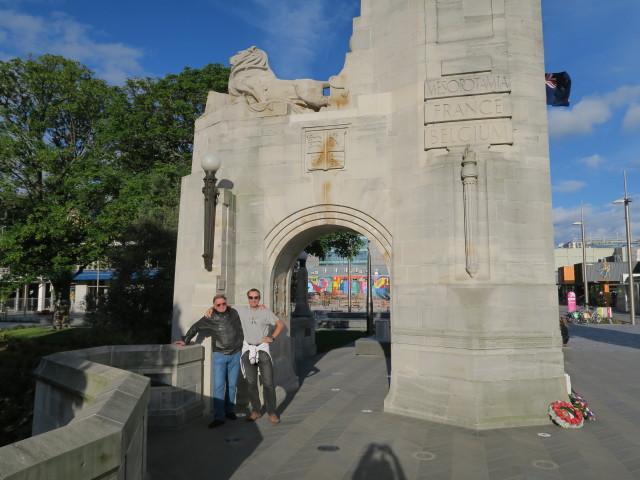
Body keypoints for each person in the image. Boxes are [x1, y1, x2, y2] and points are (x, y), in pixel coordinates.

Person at [209, 289, 285, 424]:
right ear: (248, 298)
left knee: (268, 383)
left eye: (256, 297)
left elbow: (280, 324)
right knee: (251, 384)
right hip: (247, 350)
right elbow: (224, 306)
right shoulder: (241, 310)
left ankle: (272, 412)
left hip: (262, 351)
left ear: (259, 298)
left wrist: (272, 338)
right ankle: (256, 410)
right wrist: (211, 308)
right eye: (251, 297)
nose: (253, 300)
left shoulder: (265, 312)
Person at [174, 294, 243, 428]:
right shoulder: (210, 317)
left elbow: (246, 308)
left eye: (224, 303)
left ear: (226, 303)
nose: (222, 306)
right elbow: (195, 327)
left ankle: (229, 411)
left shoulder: (233, 312)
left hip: (235, 354)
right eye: (218, 305)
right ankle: (219, 417)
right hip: (220, 355)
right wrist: (186, 340)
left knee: (232, 386)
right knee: (218, 387)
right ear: (214, 306)